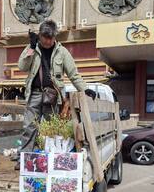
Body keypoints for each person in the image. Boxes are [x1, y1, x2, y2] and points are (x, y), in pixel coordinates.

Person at [15, 20, 96, 169]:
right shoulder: (32, 47)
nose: (48, 41)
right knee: (29, 127)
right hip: (34, 94)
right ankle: (25, 159)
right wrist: (32, 48)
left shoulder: (62, 52)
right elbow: (22, 66)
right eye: (45, 37)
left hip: (54, 96)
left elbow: (73, 74)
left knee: (52, 129)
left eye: (51, 38)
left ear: (55, 37)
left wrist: (84, 89)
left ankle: (51, 160)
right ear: (40, 35)